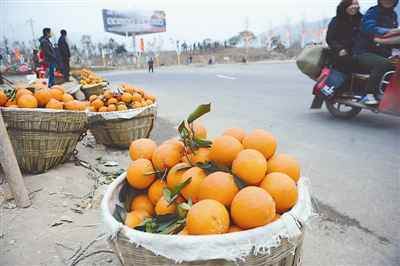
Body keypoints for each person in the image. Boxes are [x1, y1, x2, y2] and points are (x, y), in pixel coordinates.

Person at [353, 0, 399, 104]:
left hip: (382, 53)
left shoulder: (393, 15)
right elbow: (369, 27)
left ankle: (389, 95)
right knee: (383, 63)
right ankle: (368, 95)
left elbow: (393, 39)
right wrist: (389, 31)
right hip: (363, 51)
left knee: (396, 65)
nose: (388, 2)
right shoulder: (373, 11)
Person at [326, 0, 363, 74]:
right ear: (345, 6)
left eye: (357, 4)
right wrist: (340, 49)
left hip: (357, 52)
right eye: (352, 4)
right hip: (340, 52)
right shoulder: (336, 20)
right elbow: (330, 39)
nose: (355, 7)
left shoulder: (361, 19)